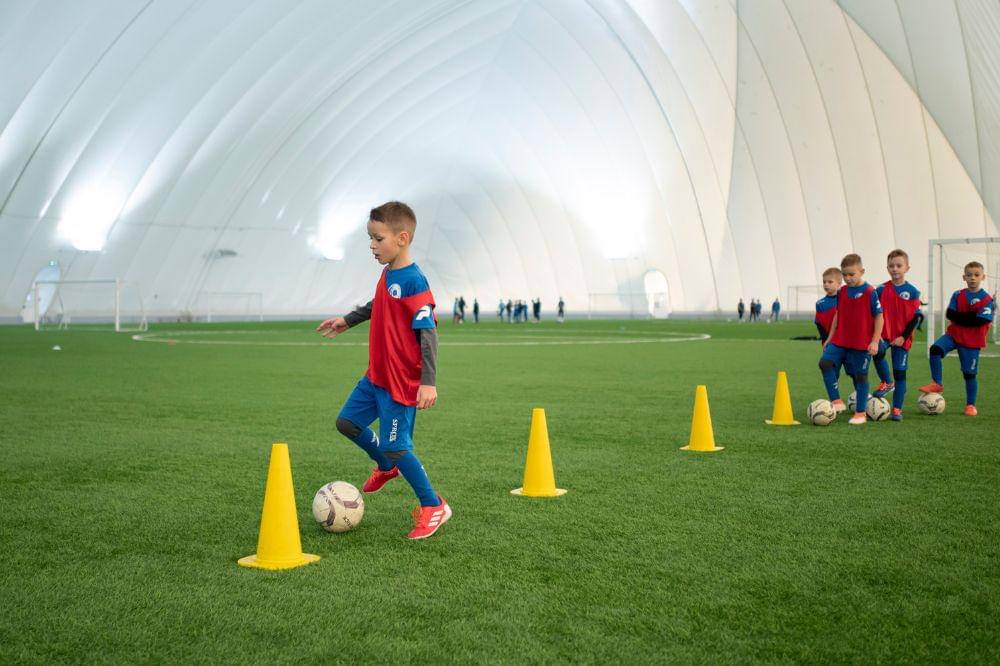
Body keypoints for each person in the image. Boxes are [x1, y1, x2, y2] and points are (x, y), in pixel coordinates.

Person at [315, 201, 451, 539]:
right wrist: (348, 320)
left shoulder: (415, 281)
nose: (372, 246)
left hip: (401, 384)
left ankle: (433, 506)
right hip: (376, 376)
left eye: (378, 239)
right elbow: (380, 304)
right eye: (371, 239)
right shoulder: (389, 273)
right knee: (347, 422)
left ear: (402, 238)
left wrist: (428, 383)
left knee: (397, 445)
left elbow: (428, 332)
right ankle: (386, 466)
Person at [919, 261, 994, 416]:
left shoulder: (987, 299)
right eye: (969, 275)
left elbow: (981, 321)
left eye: (976, 275)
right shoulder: (958, 294)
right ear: (964, 277)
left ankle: (970, 405)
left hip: (971, 342)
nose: (972, 278)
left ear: (983, 277)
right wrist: (972, 314)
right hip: (953, 335)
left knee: (969, 374)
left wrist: (963, 317)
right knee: (935, 350)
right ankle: (937, 383)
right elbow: (950, 314)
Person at [819, 253, 884, 425]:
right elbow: (837, 315)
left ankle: (861, 413)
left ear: (861, 271)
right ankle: (836, 401)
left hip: (861, 344)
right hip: (840, 340)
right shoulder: (842, 292)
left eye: (851, 274)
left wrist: (875, 341)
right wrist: (830, 338)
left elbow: (879, 317)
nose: (848, 278)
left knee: (860, 376)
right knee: (825, 363)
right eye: (844, 274)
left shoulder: (870, 291)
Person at [871, 249, 923, 421]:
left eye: (899, 265)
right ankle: (887, 381)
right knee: (876, 352)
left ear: (907, 268)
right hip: (884, 336)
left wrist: (903, 337)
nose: (895, 269)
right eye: (891, 266)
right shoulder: (881, 289)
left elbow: (916, 317)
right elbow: (873, 312)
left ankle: (897, 409)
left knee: (900, 374)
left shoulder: (913, 291)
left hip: (902, 338)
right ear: (887, 268)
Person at [815, 268, 841, 343]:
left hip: (845, 341)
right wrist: (825, 340)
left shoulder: (845, 299)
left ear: (839, 283)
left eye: (830, 282)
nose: (826, 284)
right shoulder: (820, 304)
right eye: (824, 282)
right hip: (829, 342)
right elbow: (819, 325)